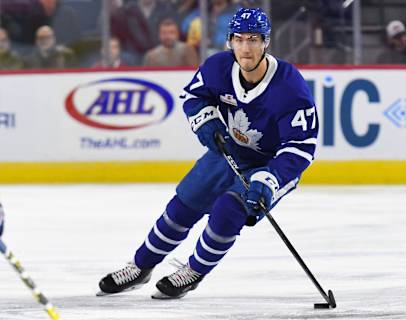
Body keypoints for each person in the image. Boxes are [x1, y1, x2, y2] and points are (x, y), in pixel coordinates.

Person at [97, 7, 318, 299]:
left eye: (253, 39)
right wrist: (205, 120)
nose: (246, 48)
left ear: (266, 42)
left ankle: (193, 272)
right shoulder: (218, 67)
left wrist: (269, 181)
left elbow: (300, 148)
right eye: (239, 39)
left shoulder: (290, 87)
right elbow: (194, 96)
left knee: (229, 211)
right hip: (229, 151)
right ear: (229, 41)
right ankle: (140, 267)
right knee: (183, 206)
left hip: (271, 165)